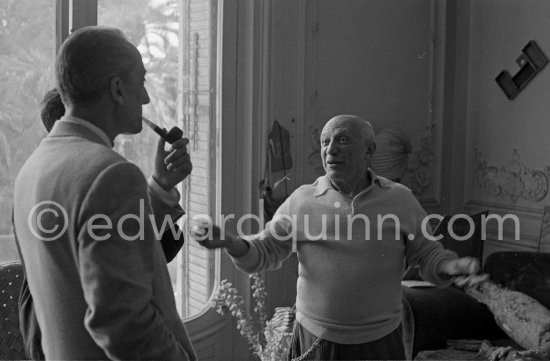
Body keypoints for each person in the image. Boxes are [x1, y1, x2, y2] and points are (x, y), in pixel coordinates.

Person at [193, 114, 481, 360]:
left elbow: (428, 254)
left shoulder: (400, 199)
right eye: (325, 142)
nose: (330, 149)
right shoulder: (302, 201)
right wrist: (230, 242)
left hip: (381, 341)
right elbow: (265, 249)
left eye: (342, 140)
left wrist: (451, 266)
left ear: (369, 150)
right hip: (316, 340)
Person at [13, 26, 196, 360]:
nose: (146, 98)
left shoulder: (32, 169)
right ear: (116, 88)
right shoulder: (112, 174)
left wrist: (160, 186)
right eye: (140, 82)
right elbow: (127, 328)